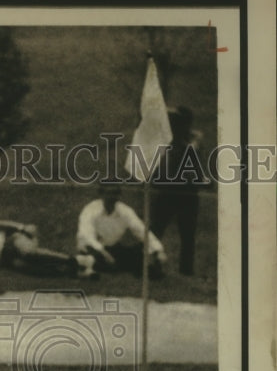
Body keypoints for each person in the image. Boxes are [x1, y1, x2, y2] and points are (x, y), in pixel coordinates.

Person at [151, 106, 205, 276]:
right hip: (167, 190)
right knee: (155, 231)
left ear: (185, 124)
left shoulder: (192, 142)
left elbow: (192, 158)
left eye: (176, 121)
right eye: (172, 121)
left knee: (187, 235)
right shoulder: (169, 139)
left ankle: (186, 271)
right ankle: (152, 264)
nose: (172, 124)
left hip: (186, 193)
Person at [76, 184, 167, 277]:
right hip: (92, 249)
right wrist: (104, 253)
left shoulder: (124, 210)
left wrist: (158, 250)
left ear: (119, 195)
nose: (111, 197)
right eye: (108, 193)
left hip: (112, 249)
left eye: (115, 193)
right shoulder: (90, 209)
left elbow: (140, 230)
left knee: (136, 253)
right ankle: (91, 264)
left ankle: (139, 269)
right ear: (101, 194)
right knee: (102, 262)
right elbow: (87, 236)